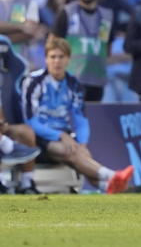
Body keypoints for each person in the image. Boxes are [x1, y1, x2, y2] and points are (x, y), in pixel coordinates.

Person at [21, 38, 133, 193]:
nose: (57, 61)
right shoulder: (33, 81)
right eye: (53, 57)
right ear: (46, 59)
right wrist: (60, 135)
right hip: (39, 136)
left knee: (81, 153)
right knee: (70, 151)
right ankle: (113, 175)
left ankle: (107, 186)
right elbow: (31, 122)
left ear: (68, 59)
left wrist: (82, 143)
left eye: (61, 57)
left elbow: (80, 119)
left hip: (64, 134)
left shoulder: (74, 83)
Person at [49, 0, 114, 102]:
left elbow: (107, 47)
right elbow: (52, 44)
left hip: (97, 81)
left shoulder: (107, 16)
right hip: (71, 79)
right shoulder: (67, 12)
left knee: (92, 121)